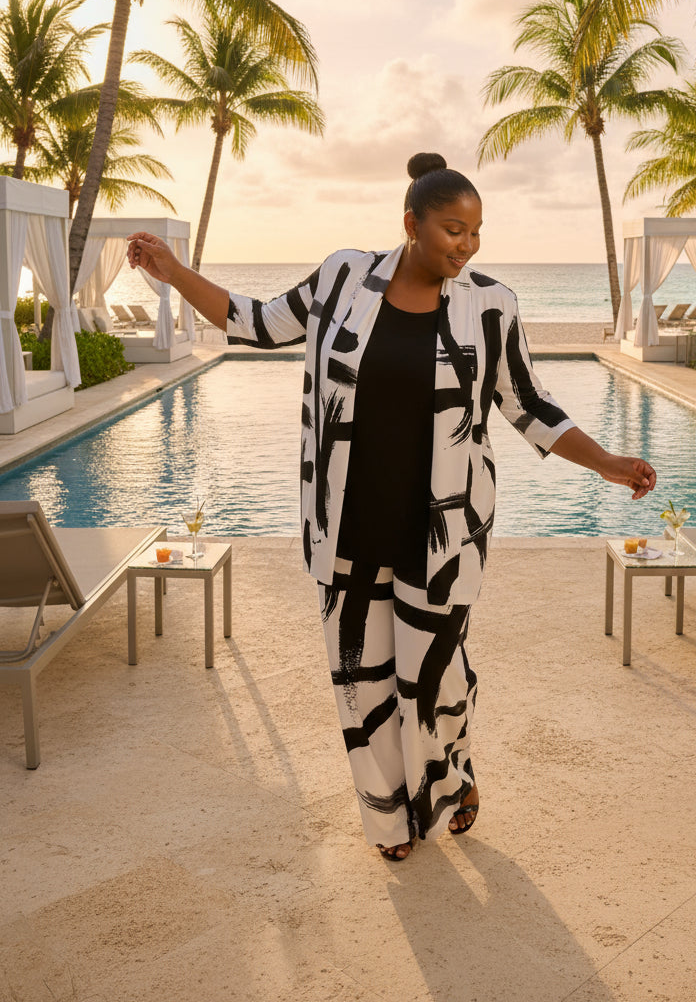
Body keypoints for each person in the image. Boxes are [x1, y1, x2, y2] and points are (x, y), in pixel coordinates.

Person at [127, 152, 656, 862]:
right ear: (411, 223)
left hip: (442, 533)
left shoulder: (490, 305)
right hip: (345, 525)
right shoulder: (343, 277)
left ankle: (452, 777)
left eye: (475, 233)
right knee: (361, 682)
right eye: (452, 230)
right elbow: (252, 321)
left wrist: (610, 464)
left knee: (436, 681)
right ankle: (388, 820)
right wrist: (173, 272)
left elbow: (529, 406)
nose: (465, 246)